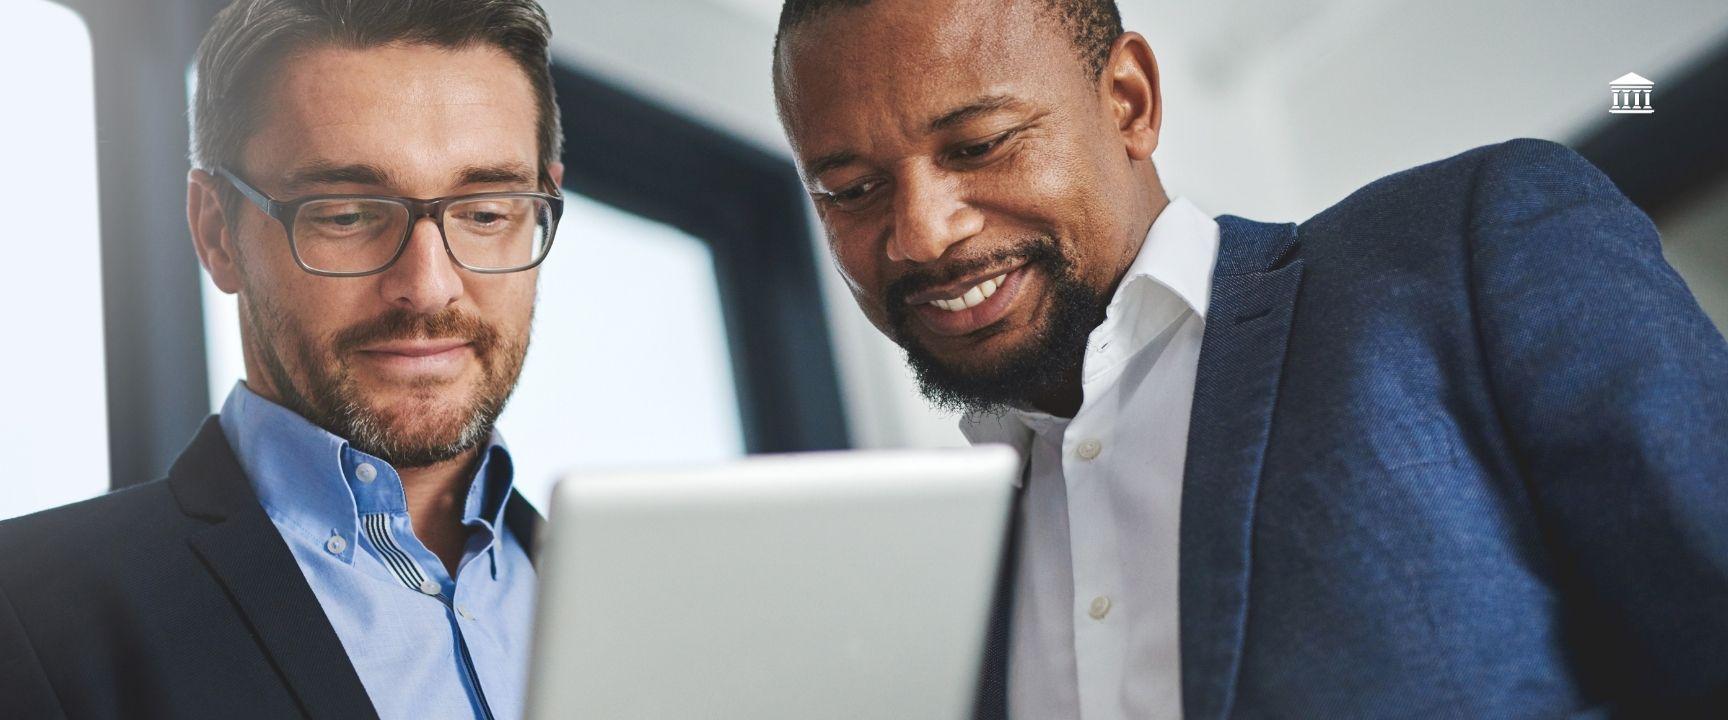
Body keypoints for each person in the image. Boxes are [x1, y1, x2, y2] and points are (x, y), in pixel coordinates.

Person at [770, 0, 1728, 717]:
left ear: (1129, 102)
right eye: (851, 190)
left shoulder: (1467, 251)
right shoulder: (931, 577)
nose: (923, 233)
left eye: (978, 144)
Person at [0, 1, 566, 717]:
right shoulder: (25, 614)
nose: (427, 288)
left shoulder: (645, 601)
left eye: (485, 213)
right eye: (347, 215)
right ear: (216, 231)